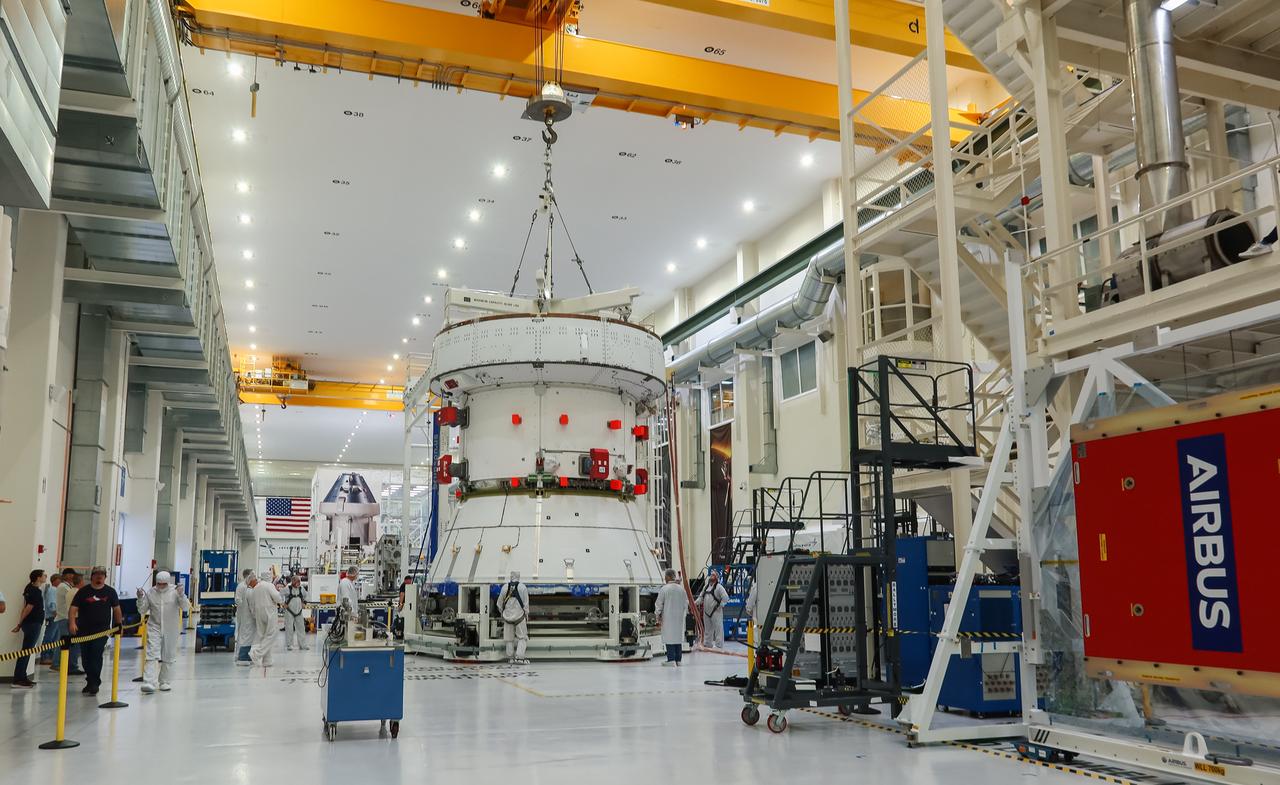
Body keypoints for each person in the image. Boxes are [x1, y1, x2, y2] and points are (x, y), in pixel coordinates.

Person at [69, 566, 122, 697]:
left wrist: (118, 624)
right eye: (97, 574)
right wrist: (72, 623)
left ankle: (94, 683)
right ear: (92, 576)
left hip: (101, 631)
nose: (99, 576)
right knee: (86, 658)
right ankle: (90, 680)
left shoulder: (110, 592)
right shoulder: (83, 592)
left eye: (102, 574)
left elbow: (116, 609)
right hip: (84, 631)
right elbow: (73, 608)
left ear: (105, 577)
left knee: (96, 654)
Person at [136, 571, 191, 693]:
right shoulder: (151, 592)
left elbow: (186, 607)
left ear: (168, 582)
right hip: (154, 626)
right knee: (151, 654)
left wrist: (182, 595)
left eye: (163, 584)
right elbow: (142, 610)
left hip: (171, 628)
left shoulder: (175, 592)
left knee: (168, 655)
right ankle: (149, 682)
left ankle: (164, 681)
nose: (160, 587)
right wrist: (140, 598)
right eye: (158, 584)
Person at [10, 570, 47, 687]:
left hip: (32, 623)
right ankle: (18, 678)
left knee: (27, 651)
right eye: (43, 575)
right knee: (26, 650)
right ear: (38, 578)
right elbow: (28, 608)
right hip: (32, 623)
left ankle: (22, 676)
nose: (45, 576)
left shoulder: (30, 589)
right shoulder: (34, 591)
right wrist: (19, 623)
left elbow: (25, 605)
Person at [49, 569, 83, 675]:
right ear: (68, 575)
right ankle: (57, 663)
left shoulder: (67, 586)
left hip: (66, 617)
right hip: (64, 617)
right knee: (64, 642)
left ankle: (60, 663)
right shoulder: (63, 587)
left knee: (64, 641)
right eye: (72, 574)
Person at [655, 568, 690, 667]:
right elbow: (686, 603)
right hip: (679, 618)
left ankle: (671, 660)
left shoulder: (664, 589)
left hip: (668, 617)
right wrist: (684, 614)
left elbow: (659, 604)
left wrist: (658, 616)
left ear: (668, 577)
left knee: (669, 637)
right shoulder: (681, 589)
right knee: (677, 637)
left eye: (665, 576)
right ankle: (678, 659)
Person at [247, 574, 282, 667]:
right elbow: (278, 598)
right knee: (271, 634)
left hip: (258, 613)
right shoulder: (269, 585)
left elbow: (252, 603)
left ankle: (267, 660)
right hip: (269, 612)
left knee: (263, 636)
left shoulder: (256, 588)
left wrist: (254, 614)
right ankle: (256, 654)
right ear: (269, 578)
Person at [496, 571, 530, 664]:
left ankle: (510, 658)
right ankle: (519, 657)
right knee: (522, 637)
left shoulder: (504, 587)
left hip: (507, 618)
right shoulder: (523, 587)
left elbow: (499, 603)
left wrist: (503, 612)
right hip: (519, 618)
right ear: (519, 576)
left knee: (509, 639)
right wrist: (526, 614)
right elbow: (526, 604)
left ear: (511, 576)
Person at [695, 569, 729, 649]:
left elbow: (726, 598)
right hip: (706, 612)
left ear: (717, 578)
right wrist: (694, 603)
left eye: (713, 575)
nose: (711, 576)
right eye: (711, 575)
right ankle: (707, 643)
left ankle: (718, 645)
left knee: (718, 629)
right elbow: (701, 597)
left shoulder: (719, 587)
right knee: (707, 629)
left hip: (716, 612)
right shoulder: (706, 587)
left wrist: (720, 606)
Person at [36, 573, 61, 666]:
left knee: (54, 638)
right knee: (49, 637)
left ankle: (50, 656)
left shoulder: (56, 590)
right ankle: (45, 656)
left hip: (56, 616)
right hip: (53, 616)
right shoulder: (53, 590)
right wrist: (55, 613)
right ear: (55, 580)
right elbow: (51, 603)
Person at [234, 568, 254, 665]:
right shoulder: (241, 586)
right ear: (247, 576)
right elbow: (237, 600)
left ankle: (244, 655)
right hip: (243, 614)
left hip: (247, 614)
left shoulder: (248, 586)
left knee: (246, 635)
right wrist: (245, 606)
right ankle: (239, 655)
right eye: (252, 575)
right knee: (242, 635)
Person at [282, 575, 308, 651]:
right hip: (289, 611)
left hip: (299, 611)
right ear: (293, 581)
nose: (298, 583)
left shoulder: (301, 588)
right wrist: (283, 603)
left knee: (301, 628)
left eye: (299, 581)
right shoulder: (287, 588)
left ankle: (302, 645)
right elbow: (280, 594)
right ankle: (289, 645)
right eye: (297, 581)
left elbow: (306, 595)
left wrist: (304, 603)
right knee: (289, 628)